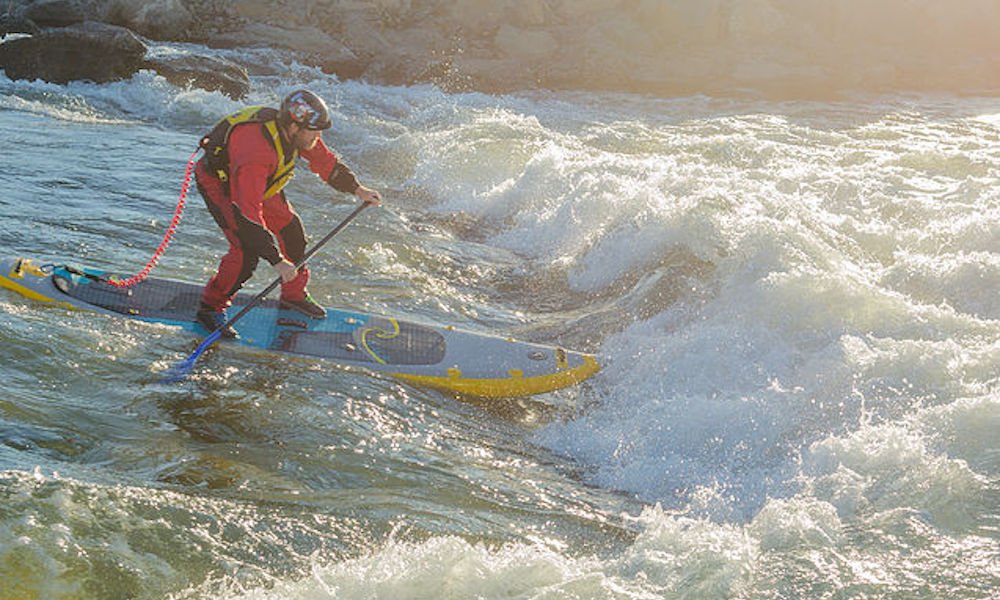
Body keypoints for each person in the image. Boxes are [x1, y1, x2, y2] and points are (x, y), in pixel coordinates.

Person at [193, 89, 381, 338]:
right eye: (314, 130)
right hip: (224, 186)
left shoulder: (296, 133)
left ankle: (293, 296)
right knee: (246, 253)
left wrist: (358, 189)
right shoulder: (257, 153)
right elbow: (247, 215)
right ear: (294, 127)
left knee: (292, 232)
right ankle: (210, 308)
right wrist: (277, 261)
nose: (319, 135)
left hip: (261, 185)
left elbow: (325, 162)